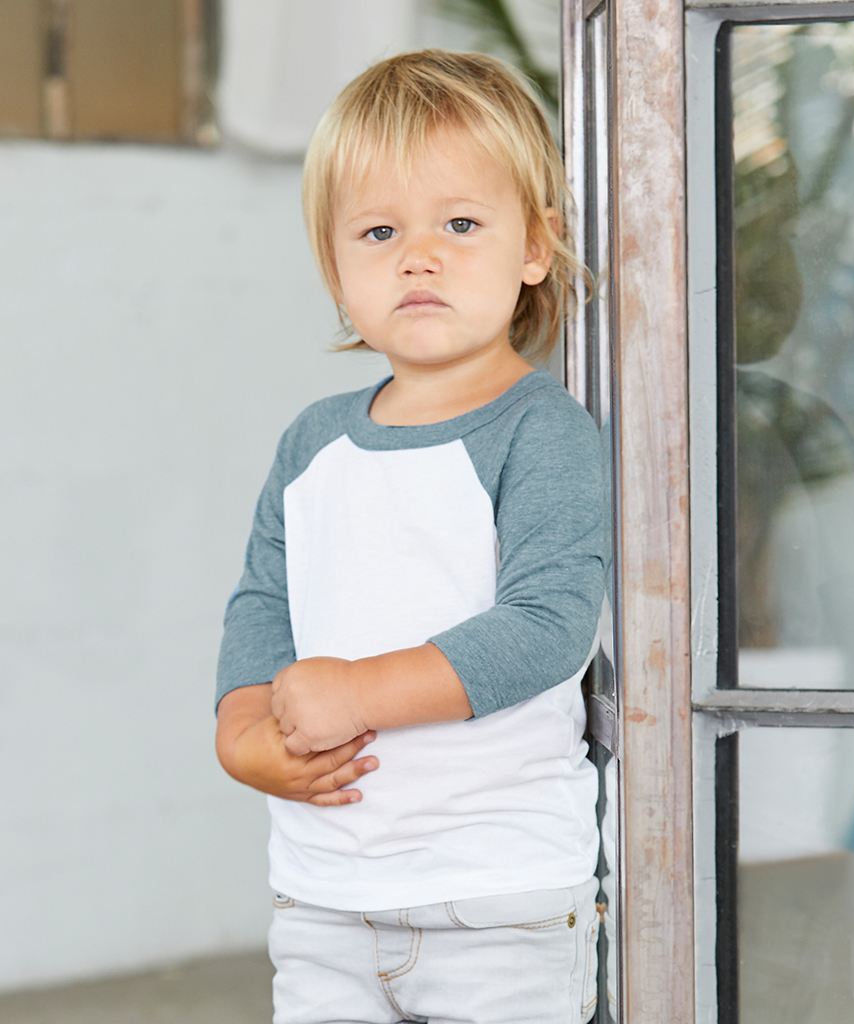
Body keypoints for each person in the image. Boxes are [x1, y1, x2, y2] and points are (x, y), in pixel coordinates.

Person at [215, 49, 606, 1024]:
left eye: (461, 224)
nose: (418, 256)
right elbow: (264, 604)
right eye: (379, 231)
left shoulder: (540, 429)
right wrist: (242, 737)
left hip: (498, 901)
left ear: (535, 247)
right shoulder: (312, 443)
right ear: (335, 268)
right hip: (323, 898)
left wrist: (356, 690)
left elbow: (548, 626)